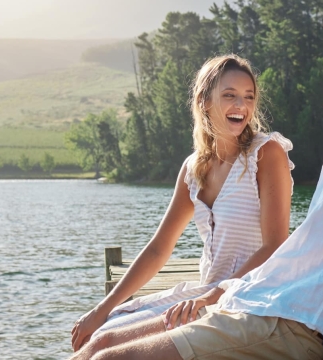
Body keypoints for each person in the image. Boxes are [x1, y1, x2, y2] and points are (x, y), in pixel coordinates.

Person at [70, 35, 323, 360]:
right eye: (229, 95)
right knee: (102, 341)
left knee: (107, 356)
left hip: (290, 321)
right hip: (257, 299)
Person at [71, 54, 294, 352]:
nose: (241, 105)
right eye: (229, 95)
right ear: (204, 101)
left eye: (248, 97)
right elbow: (158, 248)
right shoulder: (194, 168)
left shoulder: (266, 154)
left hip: (249, 300)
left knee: (107, 344)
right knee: (99, 332)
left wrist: (211, 297)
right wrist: (101, 309)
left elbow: (275, 245)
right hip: (205, 295)